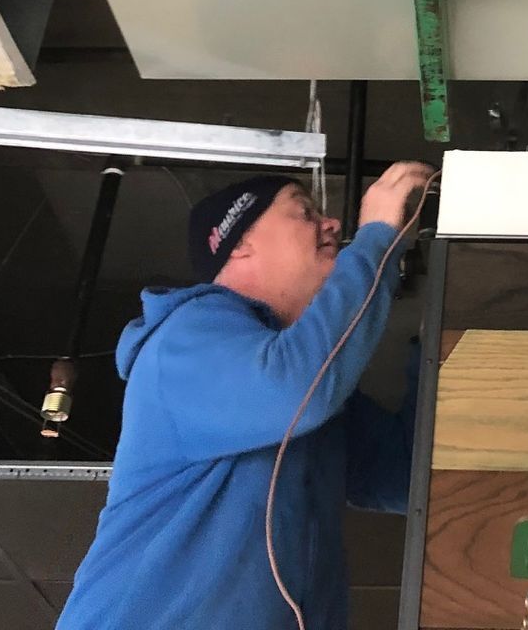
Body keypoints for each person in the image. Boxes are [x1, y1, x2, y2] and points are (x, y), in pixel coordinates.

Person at [56, 160, 435, 630]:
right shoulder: (184, 338)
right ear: (238, 244)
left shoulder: (308, 388)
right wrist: (376, 236)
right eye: (305, 212)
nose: (332, 224)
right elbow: (294, 389)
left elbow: (408, 478)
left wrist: (435, 343)